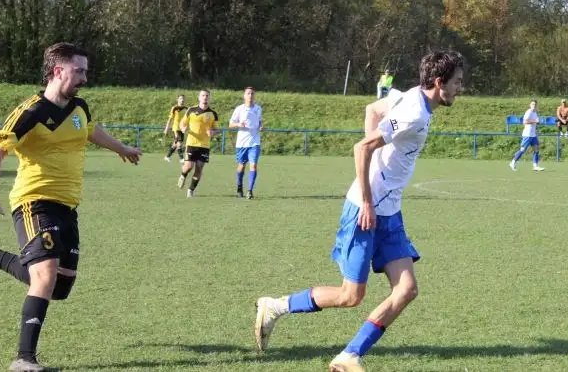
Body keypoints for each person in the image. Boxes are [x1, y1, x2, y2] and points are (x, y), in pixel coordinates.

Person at [253, 51, 465, 372]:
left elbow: (373, 109)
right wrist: (366, 198)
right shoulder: (414, 114)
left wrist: (375, 175)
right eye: (457, 83)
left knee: (406, 290)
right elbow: (362, 147)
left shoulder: (411, 98)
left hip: (390, 213)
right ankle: (275, 306)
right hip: (365, 210)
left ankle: (349, 355)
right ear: (439, 83)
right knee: (351, 295)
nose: (460, 89)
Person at [0, 42, 142, 372]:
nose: (85, 77)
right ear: (58, 71)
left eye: (85, 71)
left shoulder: (80, 107)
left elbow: (90, 131)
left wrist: (121, 148)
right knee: (44, 275)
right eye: (79, 71)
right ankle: (23, 360)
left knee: (59, 287)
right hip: (33, 201)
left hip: (67, 207)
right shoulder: (31, 112)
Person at [177, 90, 218, 198]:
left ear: (210, 98)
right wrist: (183, 128)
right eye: (203, 95)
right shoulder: (191, 110)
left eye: (207, 96)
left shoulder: (213, 114)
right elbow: (182, 123)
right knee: (188, 166)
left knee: (199, 168)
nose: (205, 97)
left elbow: (215, 129)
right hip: (191, 143)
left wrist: (212, 132)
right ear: (199, 97)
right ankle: (183, 175)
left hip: (204, 145)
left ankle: (191, 190)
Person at [228, 87, 263, 199]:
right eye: (248, 93)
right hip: (242, 143)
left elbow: (260, 121)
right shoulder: (239, 109)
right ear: (244, 96)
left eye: (252, 93)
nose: (250, 95)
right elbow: (231, 124)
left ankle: (250, 191)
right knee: (241, 166)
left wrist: (261, 126)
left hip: (254, 142)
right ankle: (239, 188)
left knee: (253, 165)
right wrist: (239, 124)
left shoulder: (258, 108)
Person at [509, 100, 545, 172]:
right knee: (522, 150)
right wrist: (535, 121)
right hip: (527, 135)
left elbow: (535, 122)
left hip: (533, 135)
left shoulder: (535, 113)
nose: (534, 106)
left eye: (535, 104)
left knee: (536, 149)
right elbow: (525, 121)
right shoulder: (528, 112)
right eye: (532, 104)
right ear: (530, 105)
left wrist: (537, 123)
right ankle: (513, 162)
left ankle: (535, 166)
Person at [163, 94, 187, 163]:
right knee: (179, 143)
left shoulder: (186, 109)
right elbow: (170, 119)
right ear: (178, 99)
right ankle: (181, 159)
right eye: (181, 98)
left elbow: (188, 119)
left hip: (182, 129)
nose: (182, 100)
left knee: (175, 144)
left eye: (183, 98)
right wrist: (166, 128)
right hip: (176, 128)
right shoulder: (174, 108)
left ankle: (167, 156)